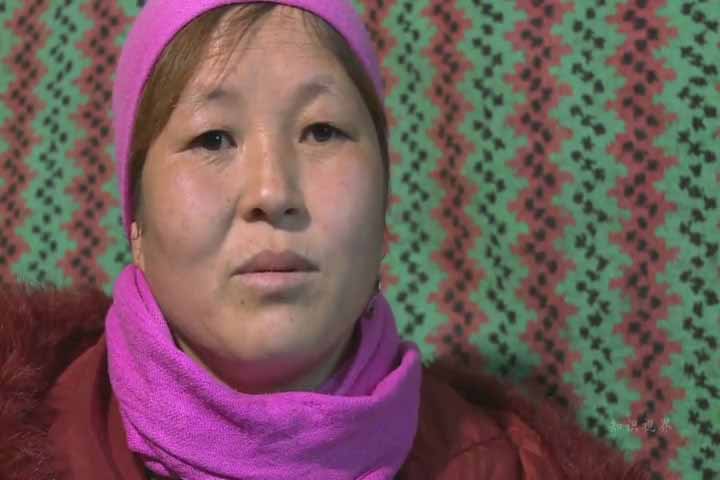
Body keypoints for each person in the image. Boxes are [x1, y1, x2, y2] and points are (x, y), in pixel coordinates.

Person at [0, 1, 649, 478]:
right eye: (213, 138)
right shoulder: (26, 442)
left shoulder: (501, 467)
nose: (271, 190)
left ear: (383, 208)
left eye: (321, 131)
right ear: (136, 223)